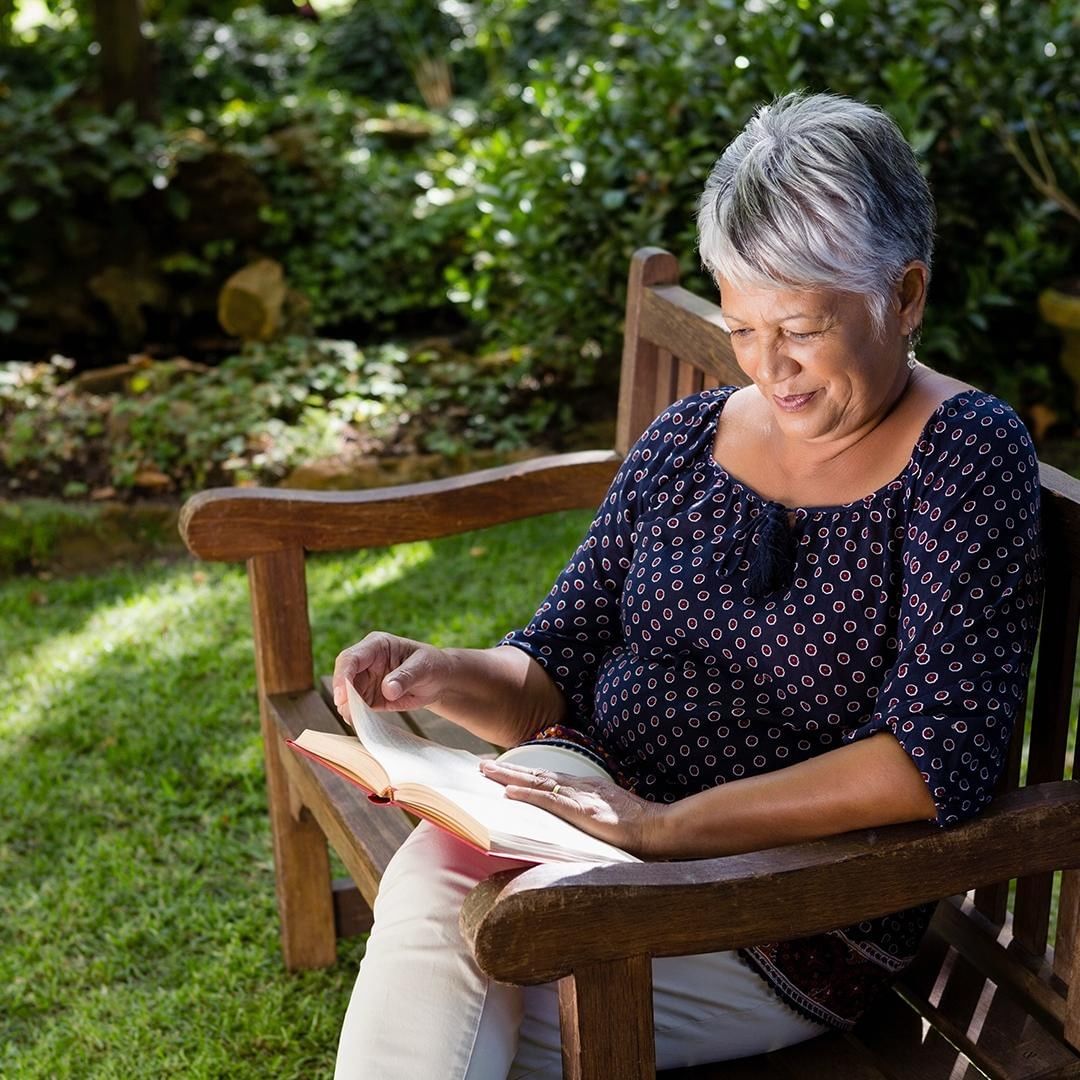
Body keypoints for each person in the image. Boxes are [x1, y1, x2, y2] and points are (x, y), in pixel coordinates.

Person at [331, 92, 1044, 1078]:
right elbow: (550, 674)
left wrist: (666, 830)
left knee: (473, 970)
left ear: (908, 295)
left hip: (783, 901)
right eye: (744, 328)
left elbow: (935, 760)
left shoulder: (966, 456)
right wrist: (436, 674)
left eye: (799, 327)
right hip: (588, 814)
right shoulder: (685, 442)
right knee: (445, 891)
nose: (770, 368)